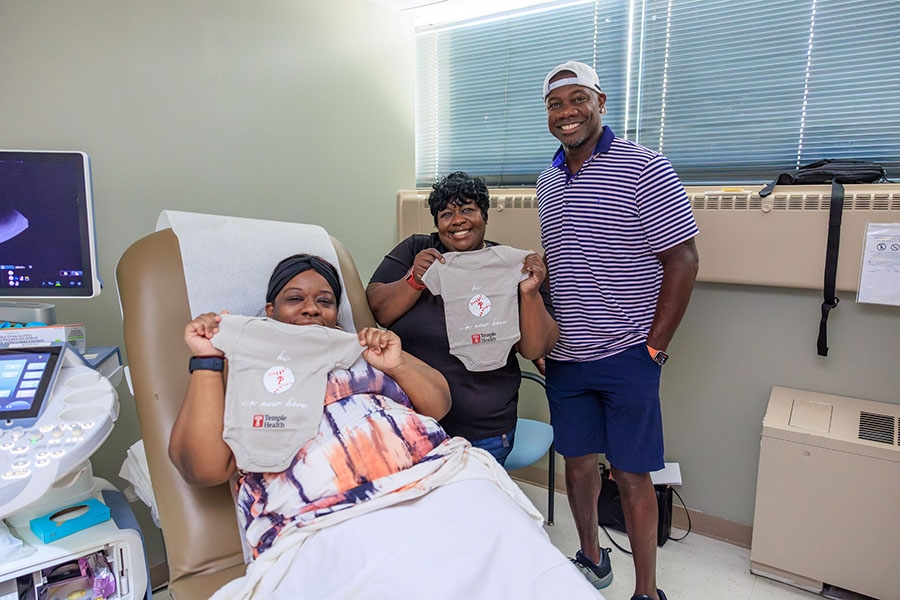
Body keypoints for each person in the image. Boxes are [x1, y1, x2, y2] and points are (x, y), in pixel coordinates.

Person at [169, 253, 599, 600]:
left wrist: (397, 362)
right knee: (398, 577)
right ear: (269, 311)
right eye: (294, 299)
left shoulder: (359, 350)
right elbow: (203, 468)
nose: (310, 309)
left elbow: (439, 405)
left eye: (324, 300)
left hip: (437, 477)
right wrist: (208, 360)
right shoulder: (244, 364)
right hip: (327, 509)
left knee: (516, 559)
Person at [536, 61, 700, 600]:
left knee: (632, 475)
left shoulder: (645, 166)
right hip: (565, 358)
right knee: (578, 465)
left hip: (629, 353)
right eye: (556, 104)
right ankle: (591, 558)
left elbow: (683, 261)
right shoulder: (548, 178)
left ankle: (647, 592)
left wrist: (654, 347)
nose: (567, 112)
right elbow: (567, 261)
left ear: (601, 102)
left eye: (577, 99)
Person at [366, 171, 559, 466]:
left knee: (476, 508)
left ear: (484, 215)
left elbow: (535, 349)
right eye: (446, 214)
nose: (457, 220)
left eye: (468, 209)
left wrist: (530, 294)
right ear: (436, 223)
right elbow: (379, 310)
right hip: (414, 423)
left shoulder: (507, 265)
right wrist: (414, 280)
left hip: (484, 430)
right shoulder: (416, 251)